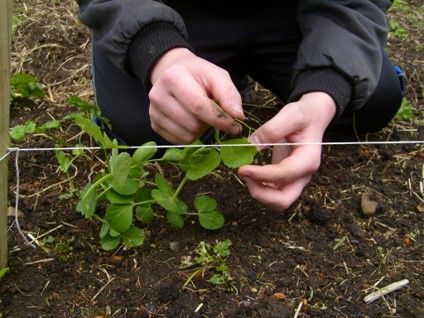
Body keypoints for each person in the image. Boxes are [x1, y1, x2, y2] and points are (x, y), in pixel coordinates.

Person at [77, 0, 404, 211]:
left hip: (294, 15)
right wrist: (157, 51)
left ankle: (235, 71)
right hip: (168, 12)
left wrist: (324, 91)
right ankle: (198, 65)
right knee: (145, 127)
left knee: (370, 100)